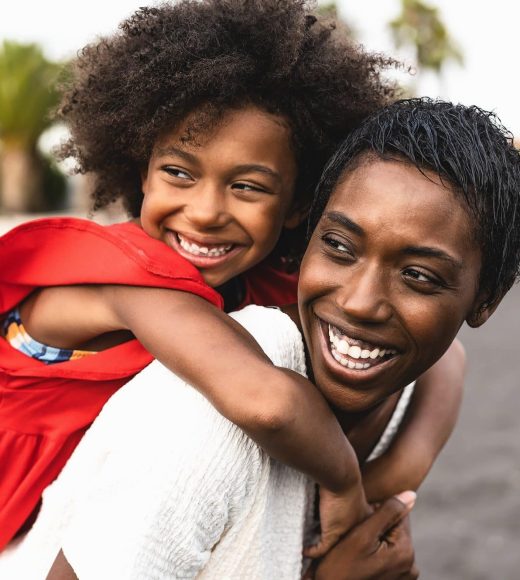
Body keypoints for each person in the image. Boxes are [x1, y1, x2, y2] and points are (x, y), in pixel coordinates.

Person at [0, 0, 461, 556]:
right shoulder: (124, 273)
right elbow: (268, 402)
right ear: (141, 170)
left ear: (296, 206)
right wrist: (345, 484)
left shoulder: (252, 283)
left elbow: (449, 359)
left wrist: (404, 466)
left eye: (247, 187)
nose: (205, 211)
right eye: (178, 173)